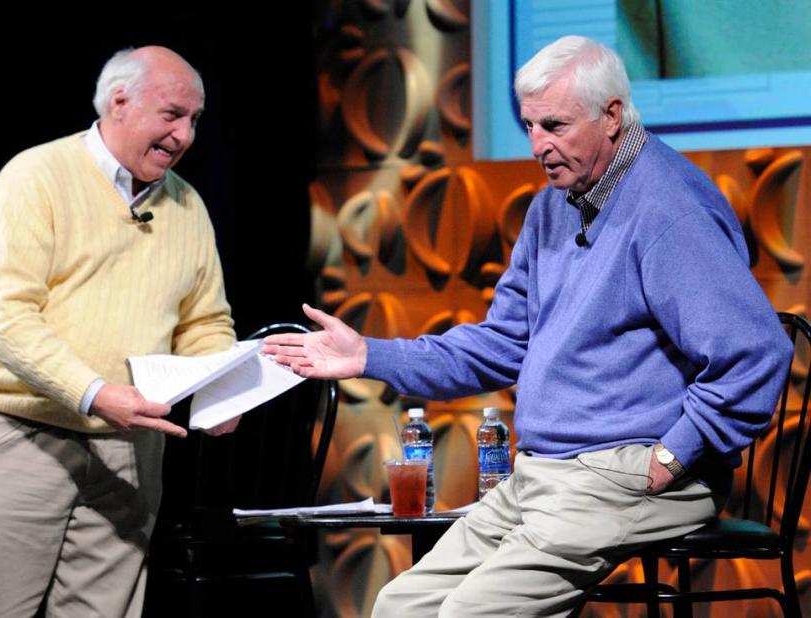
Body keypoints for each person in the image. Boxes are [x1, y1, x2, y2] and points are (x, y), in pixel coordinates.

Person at [263, 36, 793, 617]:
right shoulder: (554, 204)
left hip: (626, 474)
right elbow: (504, 343)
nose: (539, 146)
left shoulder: (669, 207)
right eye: (530, 126)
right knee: (401, 604)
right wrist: (370, 355)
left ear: (611, 116)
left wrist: (671, 457)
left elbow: (757, 350)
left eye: (556, 126)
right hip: (541, 475)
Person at [0, 46, 238, 617]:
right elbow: (5, 317)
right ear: (119, 101)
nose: (186, 135)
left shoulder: (187, 205)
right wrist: (95, 394)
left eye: (195, 120)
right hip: (20, 432)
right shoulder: (35, 178)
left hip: (130, 449)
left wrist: (221, 387)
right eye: (172, 115)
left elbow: (205, 320)